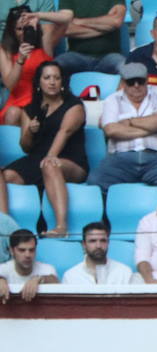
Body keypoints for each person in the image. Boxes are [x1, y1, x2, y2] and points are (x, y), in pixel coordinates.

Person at [3, 60, 86, 237]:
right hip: (37, 159)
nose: (52, 82)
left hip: (70, 160)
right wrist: (30, 132)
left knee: (49, 164)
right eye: (47, 77)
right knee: (6, 176)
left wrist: (50, 157)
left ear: (63, 82)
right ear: (39, 82)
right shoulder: (29, 109)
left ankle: (61, 227)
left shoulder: (74, 106)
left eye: (57, 78)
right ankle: (8, 226)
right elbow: (26, 147)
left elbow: (63, 133)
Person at [89, 61, 157, 190]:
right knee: (95, 181)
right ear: (124, 83)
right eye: (131, 82)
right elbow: (111, 130)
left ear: (147, 80)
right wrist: (151, 127)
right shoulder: (112, 100)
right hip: (120, 160)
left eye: (140, 81)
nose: (136, 86)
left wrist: (129, 122)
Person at [0, 5, 71, 124]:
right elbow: (10, 85)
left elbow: (67, 19)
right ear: (12, 31)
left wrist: (38, 15)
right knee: (12, 113)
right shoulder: (5, 50)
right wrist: (20, 60)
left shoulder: (45, 41)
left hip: (43, 98)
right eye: (19, 29)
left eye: (27, 28)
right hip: (18, 100)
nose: (24, 33)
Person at [53, 0, 126, 76]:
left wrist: (79, 21)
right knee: (54, 68)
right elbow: (66, 29)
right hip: (76, 56)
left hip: (110, 56)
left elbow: (116, 21)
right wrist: (106, 27)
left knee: (126, 69)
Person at [61, 221, 139, 284]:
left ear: (108, 243)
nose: (98, 246)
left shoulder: (124, 272)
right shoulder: (71, 276)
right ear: (84, 244)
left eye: (103, 240)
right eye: (93, 241)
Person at [0, 227, 57, 301]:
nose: (27, 255)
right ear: (11, 250)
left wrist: (39, 279)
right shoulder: (2, 269)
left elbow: (55, 282)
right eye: (22, 250)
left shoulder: (47, 269)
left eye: (32, 250)